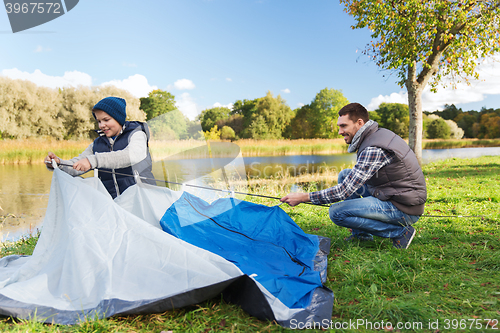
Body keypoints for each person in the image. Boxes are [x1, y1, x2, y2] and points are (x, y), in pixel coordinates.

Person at [280, 103, 427, 249]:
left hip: (404, 208)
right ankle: (362, 235)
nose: (339, 131)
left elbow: (343, 192)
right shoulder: (376, 135)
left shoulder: (373, 147)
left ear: (359, 123)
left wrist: (303, 197)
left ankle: (400, 232)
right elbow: (351, 182)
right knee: (345, 175)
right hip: (393, 194)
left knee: (337, 212)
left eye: (343, 126)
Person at [45, 96, 155, 199]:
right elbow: (76, 165)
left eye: (106, 120)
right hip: (114, 205)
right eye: (99, 121)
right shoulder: (96, 144)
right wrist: (58, 164)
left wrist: (93, 160)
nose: (101, 125)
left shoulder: (136, 134)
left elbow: (132, 155)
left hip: (142, 201)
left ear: (119, 118)